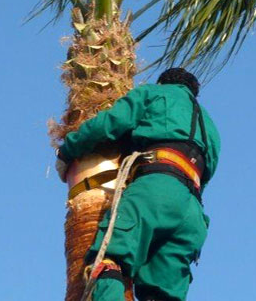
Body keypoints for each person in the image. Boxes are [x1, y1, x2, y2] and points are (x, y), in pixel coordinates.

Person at [56, 68, 221, 301]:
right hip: (192, 212)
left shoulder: (154, 94)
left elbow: (111, 123)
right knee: (162, 295)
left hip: (155, 189)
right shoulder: (211, 128)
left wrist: (68, 150)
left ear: (163, 82)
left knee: (110, 262)